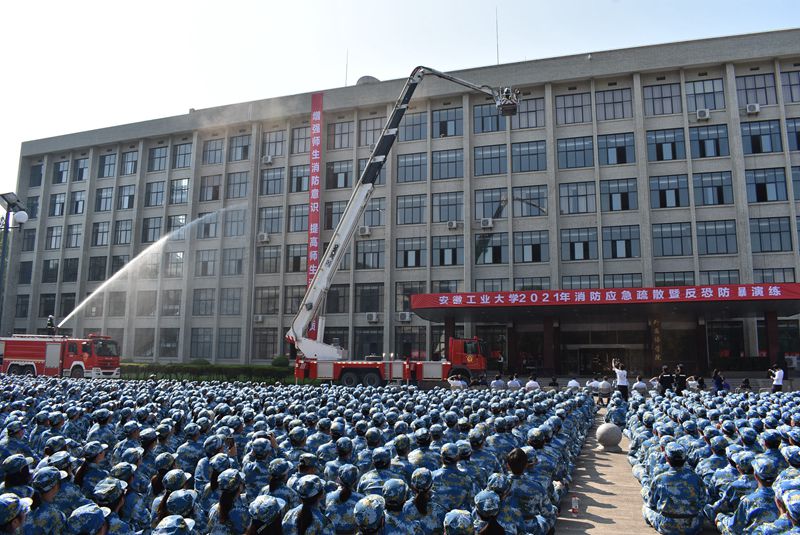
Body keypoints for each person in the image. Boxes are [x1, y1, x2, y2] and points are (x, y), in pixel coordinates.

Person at [642, 443, 706, 534]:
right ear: (685, 459)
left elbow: (652, 503)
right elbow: (703, 501)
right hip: (692, 526)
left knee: (646, 507)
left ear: (667, 458)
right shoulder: (696, 478)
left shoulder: (659, 479)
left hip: (667, 526)